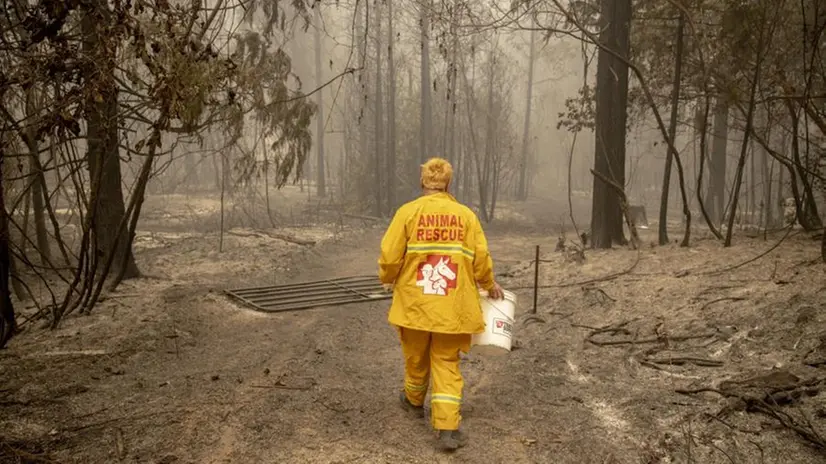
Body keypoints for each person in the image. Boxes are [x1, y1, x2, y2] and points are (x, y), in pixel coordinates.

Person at [377, 157, 504, 451]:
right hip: (452, 308)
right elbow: (480, 259)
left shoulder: (407, 213)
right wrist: (488, 284)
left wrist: (388, 277)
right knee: (446, 362)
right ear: (448, 183)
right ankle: (447, 429)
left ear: (423, 182)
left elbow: (389, 255)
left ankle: (412, 400)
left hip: (414, 305)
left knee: (415, 357)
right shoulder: (466, 216)